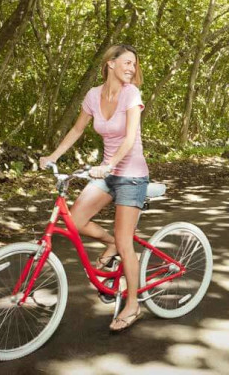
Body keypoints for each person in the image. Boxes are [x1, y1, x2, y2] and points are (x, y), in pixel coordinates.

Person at [39, 44, 149, 332]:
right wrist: (54, 156)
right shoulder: (92, 95)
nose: (131, 68)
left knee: (126, 243)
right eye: (126, 62)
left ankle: (133, 305)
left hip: (131, 174)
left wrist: (110, 163)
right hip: (107, 173)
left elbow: (130, 137)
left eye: (134, 65)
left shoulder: (131, 94)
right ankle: (110, 243)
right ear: (110, 63)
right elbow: (76, 130)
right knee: (74, 221)